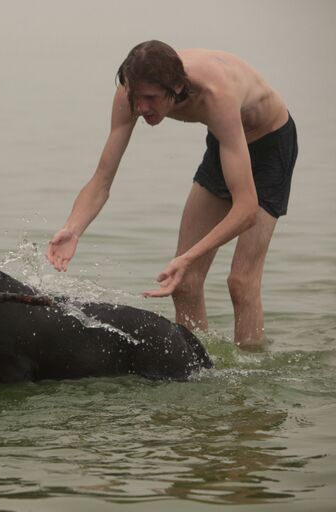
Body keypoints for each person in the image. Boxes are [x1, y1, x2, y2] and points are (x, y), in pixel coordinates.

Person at [46, 41, 297, 347]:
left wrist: (189, 257)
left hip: (269, 142)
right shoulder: (131, 92)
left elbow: (245, 209)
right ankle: (197, 371)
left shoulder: (215, 95)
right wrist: (73, 229)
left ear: (177, 87)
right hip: (227, 141)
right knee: (185, 283)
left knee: (241, 283)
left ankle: (249, 379)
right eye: (136, 98)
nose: (142, 108)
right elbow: (102, 179)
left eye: (151, 99)